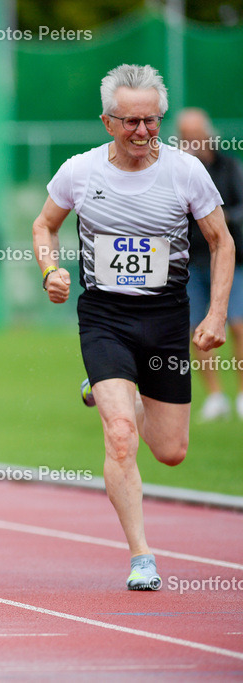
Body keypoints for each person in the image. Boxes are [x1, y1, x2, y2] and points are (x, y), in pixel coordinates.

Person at [32, 64, 233, 591]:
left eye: (151, 121)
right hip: (105, 316)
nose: (142, 132)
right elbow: (44, 225)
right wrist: (51, 270)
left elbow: (221, 241)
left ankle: (124, 395)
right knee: (120, 437)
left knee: (171, 451)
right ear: (107, 122)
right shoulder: (80, 171)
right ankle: (141, 556)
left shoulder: (186, 172)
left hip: (167, 317)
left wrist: (215, 313)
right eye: (130, 122)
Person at [176, 108, 243, 420]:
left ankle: (242, 393)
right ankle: (215, 396)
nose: (191, 142)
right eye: (184, 136)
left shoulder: (230, 168)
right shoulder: (177, 171)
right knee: (196, 330)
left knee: (238, 326)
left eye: (195, 135)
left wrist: (223, 218)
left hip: (231, 260)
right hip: (191, 263)